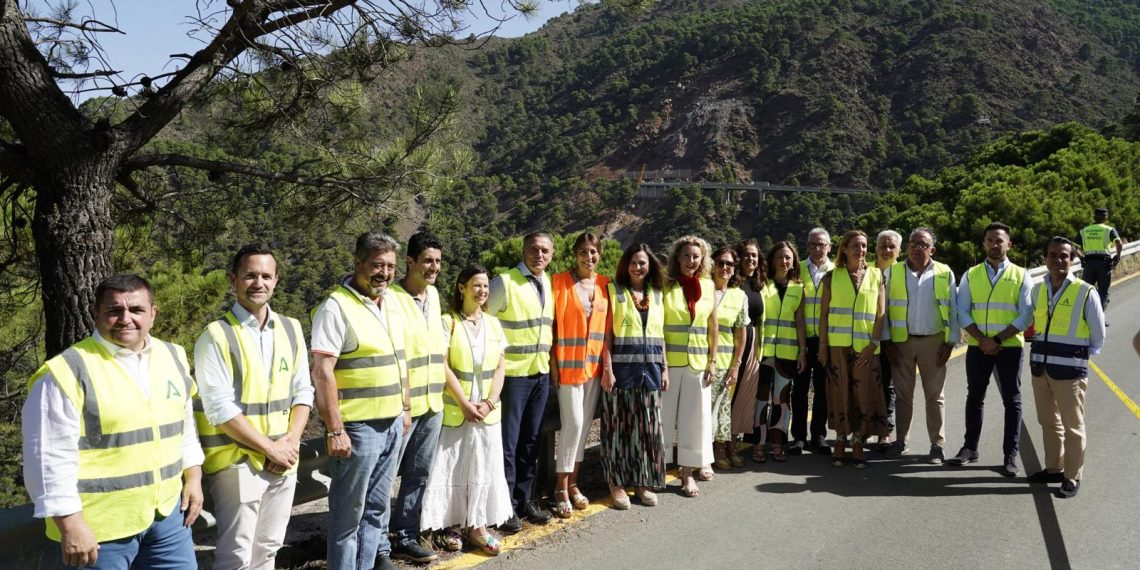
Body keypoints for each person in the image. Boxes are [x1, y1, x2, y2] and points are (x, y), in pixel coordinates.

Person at [23, 274, 204, 569]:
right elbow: (46, 457)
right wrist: (70, 524)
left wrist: (193, 477)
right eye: (113, 310)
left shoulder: (173, 356)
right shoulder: (66, 372)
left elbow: (183, 427)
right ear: (96, 313)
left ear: (153, 314)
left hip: (167, 517)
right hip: (98, 530)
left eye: (136, 310)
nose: (125, 319)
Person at [193, 244, 313, 570]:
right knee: (237, 556)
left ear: (275, 280)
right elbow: (219, 408)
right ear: (234, 279)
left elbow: (303, 390)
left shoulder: (291, 328)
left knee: (270, 549)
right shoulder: (215, 336)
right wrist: (270, 449)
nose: (258, 282)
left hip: (284, 457)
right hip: (239, 462)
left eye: (265, 276)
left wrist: (290, 442)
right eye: (249, 275)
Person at [310, 231, 412, 570]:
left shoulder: (392, 302)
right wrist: (335, 429)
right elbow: (322, 371)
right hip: (358, 429)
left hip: (392, 423)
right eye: (376, 265)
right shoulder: (336, 307)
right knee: (347, 517)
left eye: (390, 267)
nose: (383, 273)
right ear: (357, 263)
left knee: (376, 512)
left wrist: (405, 409)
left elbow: (400, 359)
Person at [419, 264, 513, 555]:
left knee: (484, 466)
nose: (482, 291)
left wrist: (488, 402)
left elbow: (500, 367)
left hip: (487, 413)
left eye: (485, 286)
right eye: (476, 285)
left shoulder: (494, 324)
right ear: (461, 287)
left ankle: (478, 526)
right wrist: (464, 403)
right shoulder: (448, 322)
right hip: (457, 412)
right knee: (452, 467)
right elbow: (443, 365)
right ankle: (449, 525)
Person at [949, 222, 1034, 477]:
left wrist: (995, 340)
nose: (994, 244)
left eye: (999, 240)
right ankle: (970, 448)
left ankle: (1010, 456)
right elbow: (962, 310)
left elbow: (1026, 314)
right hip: (977, 347)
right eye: (990, 240)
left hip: (1009, 347)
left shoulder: (1022, 275)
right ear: (984, 243)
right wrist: (981, 339)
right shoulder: (971, 274)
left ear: (1009, 244)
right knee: (974, 397)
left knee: (1012, 400)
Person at [486, 232, 555, 531]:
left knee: (530, 441)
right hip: (512, 377)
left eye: (544, 251)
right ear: (523, 250)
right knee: (508, 444)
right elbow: (484, 323)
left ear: (551, 254)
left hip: (540, 373)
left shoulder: (547, 282)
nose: (539, 255)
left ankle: (523, 500)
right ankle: (504, 507)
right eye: (533, 249)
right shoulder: (504, 281)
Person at [1026, 237, 1105, 498]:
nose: (1058, 260)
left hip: (1070, 371)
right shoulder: (1037, 290)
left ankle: (1072, 476)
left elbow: (1097, 336)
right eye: (1053, 255)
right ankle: (1053, 468)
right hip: (1041, 368)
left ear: (1073, 259)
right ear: (1045, 258)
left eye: (1064, 256)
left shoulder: (1085, 291)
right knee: (1048, 422)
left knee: (1073, 426)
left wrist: (1078, 358)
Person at [387, 232, 447, 562]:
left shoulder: (434, 295)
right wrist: (404, 403)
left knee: (419, 474)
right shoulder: (392, 298)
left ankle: (405, 536)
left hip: (432, 402)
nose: (433, 267)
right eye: (427, 261)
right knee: (386, 478)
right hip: (402, 406)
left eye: (437, 261)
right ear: (409, 262)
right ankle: (379, 541)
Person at [881, 229, 958, 464]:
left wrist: (951, 341)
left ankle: (937, 444)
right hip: (901, 342)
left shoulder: (944, 272)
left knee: (935, 396)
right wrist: (886, 341)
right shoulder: (892, 272)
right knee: (903, 396)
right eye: (913, 243)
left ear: (932, 250)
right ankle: (901, 440)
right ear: (906, 248)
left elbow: (953, 308)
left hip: (934, 342)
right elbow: (882, 309)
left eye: (923, 244)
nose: (917, 248)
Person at [601, 244, 669, 508]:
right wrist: (607, 369)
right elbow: (606, 335)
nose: (637, 267)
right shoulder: (614, 292)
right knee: (618, 430)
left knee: (647, 430)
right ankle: (616, 484)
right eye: (632, 262)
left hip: (650, 372)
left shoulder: (657, 295)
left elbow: (659, 334)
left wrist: (664, 367)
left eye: (642, 263)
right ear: (624, 265)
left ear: (650, 264)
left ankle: (642, 481)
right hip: (621, 372)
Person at [549, 232, 610, 518]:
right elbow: (550, 327)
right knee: (572, 424)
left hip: (594, 368)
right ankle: (560, 487)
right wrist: (553, 365)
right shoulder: (558, 282)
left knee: (584, 426)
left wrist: (607, 367)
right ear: (575, 254)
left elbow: (607, 330)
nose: (589, 257)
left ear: (599, 254)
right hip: (568, 367)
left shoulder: (605, 284)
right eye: (584, 252)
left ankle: (574, 482)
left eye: (593, 252)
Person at [818, 230, 889, 468]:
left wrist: (873, 345)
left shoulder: (876, 276)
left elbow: (880, 314)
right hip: (838, 347)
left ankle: (858, 440)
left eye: (864, 246)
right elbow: (824, 315)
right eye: (856, 246)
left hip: (866, 349)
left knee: (864, 395)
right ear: (845, 249)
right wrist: (823, 346)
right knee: (839, 393)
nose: (861, 250)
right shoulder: (831, 277)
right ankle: (840, 438)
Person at [661, 235, 718, 497]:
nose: (691, 261)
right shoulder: (665, 285)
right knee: (663, 419)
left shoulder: (708, 286)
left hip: (698, 364)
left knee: (693, 421)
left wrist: (712, 361)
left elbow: (712, 326)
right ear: (677, 257)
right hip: (670, 364)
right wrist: (661, 363)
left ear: (703, 259)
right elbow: (658, 327)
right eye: (686, 256)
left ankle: (686, 475)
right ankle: (657, 470)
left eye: (696, 256)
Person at [756, 241, 807, 463]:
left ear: (793, 260)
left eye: (788, 257)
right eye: (780, 257)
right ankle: (757, 443)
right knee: (760, 400)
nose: (784, 261)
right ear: (772, 259)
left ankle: (777, 443)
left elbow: (800, 323)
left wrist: (803, 352)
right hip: (763, 353)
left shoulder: (798, 288)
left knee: (782, 401)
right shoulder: (761, 284)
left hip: (788, 354)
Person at [792, 227, 834, 454]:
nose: (818, 248)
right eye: (813, 244)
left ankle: (819, 435)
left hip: (826, 339)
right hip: (801, 339)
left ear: (830, 246)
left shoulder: (837, 271)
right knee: (798, 390)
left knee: (822, 388)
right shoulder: (796, 269)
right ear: (807, 246)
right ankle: (798, 436)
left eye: (822, 244)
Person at [708, 246, 748, 470]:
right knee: (702, 411)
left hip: (724, 362)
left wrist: (736, 365)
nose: (725, 267)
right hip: (699, 359)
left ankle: (720, 449)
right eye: (721, 262)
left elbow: (740, 332)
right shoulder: (704, 290)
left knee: (721, 408)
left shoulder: (739, 295)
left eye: (730, 264)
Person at [729, 239, 765, 465]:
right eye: (746, 255)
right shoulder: (732, 283)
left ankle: (733, 440)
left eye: (754, 255)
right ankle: (721, 444)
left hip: (753, 346)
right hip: (731, 342)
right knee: (728, 395)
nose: (750, 259)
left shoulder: (761, 284)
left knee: (744, 396)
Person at [874, 230, 902, 448]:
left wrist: (890, 340)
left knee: (887, 386)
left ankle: (886, 431)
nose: (886, 250)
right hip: (865, 339)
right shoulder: (865, 270)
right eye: (882, 245)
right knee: (865, 386)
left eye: (891, 246)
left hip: (891, 340)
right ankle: (865, 428)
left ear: (899, 251)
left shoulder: (904, 273)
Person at [1077, 208, 1123, 311]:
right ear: (1106, 218)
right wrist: (1118, 257)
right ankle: (1099, 317)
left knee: (1087, 291)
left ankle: (1085, 317)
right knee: (1103, 292)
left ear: (1094, 217)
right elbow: (1119, 243)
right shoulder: (1109, 229)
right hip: (1104, 264)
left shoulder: (1084, 230)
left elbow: (1074, 247)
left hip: (1089, 264)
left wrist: (1081, 258)